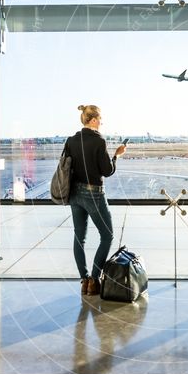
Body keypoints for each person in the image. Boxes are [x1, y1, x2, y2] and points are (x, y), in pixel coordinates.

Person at [65, 104, 126, 296]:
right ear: (92, 120)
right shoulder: (99, 140)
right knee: (107, 236)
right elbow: (107, 171)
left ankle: (85, 280)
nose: (101, 122)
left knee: (79, 237)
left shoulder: (71, 140)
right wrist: (116, 156)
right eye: (100, 119)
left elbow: (66, 166)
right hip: (94, 194)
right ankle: (95, 279)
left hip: (74, 194)